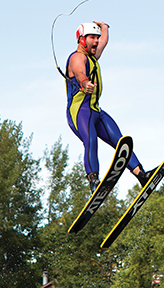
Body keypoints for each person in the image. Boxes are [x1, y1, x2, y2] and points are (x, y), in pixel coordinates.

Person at [65, 21, 155, 190]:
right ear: (82, 39)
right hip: (80, 112)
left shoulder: (92, 56)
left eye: (97, 38)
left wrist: (104, 27)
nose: (97, 41)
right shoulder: (77, 57)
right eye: (93, 38)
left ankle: (141, 175)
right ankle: (93, 181)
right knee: (91, 141)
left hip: (96, 110)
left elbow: (104, 42)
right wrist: (84, 83)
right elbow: (79, 72)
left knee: (120, 142)